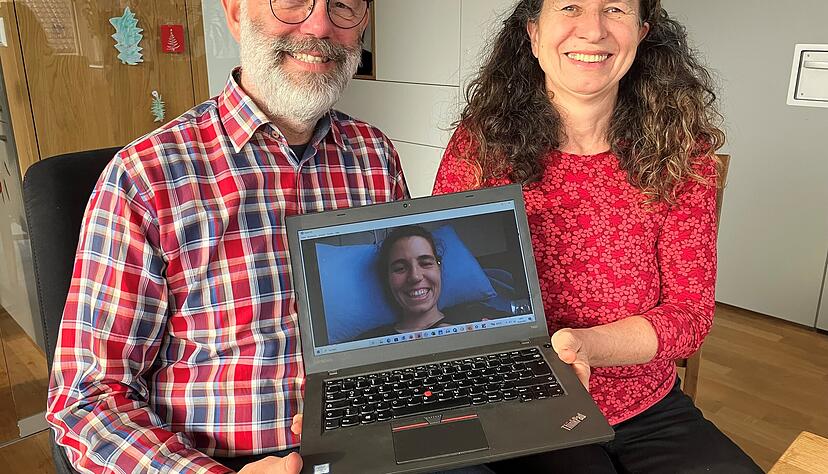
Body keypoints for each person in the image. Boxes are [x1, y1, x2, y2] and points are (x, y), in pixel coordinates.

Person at [45, 0, 408, 473]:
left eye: (342, 4)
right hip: (217, 461)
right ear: (236, 14)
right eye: (294, 0)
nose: (320, 25)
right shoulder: (145, 178)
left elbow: (401, 326)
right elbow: (87, 399)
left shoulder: (375, 156)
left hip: (370, 445)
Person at [432, 0, 762, 472]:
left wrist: (586, 345)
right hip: (528, 402)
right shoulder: (479, 148)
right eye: (570, 6)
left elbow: (689, 315)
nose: (593, 30)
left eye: (615, 9)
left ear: (642, 31)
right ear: (533, 33)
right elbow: (448, 293)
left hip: (649, 405)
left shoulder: (682, 151)